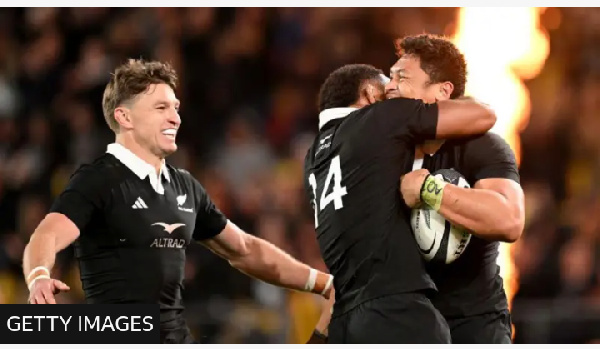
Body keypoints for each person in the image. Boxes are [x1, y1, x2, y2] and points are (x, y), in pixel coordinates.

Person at [22, 59, 334, 344]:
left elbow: (245, 250)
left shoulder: (184, 185)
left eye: (176, 107)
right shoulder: (98, 179)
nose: (175, 118)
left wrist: (323, 283)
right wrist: (38, 277)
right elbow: (47, 234)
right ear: (124, 116)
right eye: (161, 108)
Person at [303, 63, 496, 343]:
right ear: (370, 94)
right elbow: (482, 116)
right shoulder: (379, 117)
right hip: (400, 315)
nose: (393, 89)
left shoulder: (313, 159)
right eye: (388, 85)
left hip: (347, 322)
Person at [393, 34, 525, 343]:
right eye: (391, 76)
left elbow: (509, 221)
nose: (389, 85)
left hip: (473, 325)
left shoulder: (481, 146)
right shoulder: (383, 150)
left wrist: (429, 190)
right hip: (402, 326)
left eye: (403, 78)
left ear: (442, 92)